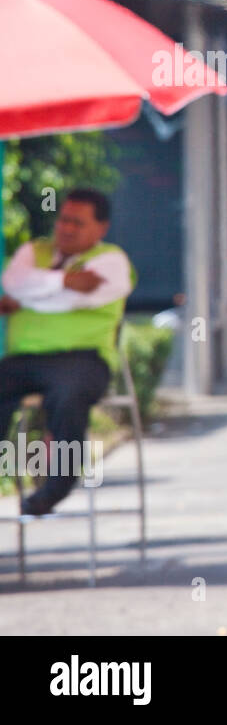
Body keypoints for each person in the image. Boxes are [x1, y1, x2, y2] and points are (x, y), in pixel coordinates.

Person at [0, 189, 135, 516]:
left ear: (101, 228)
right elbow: (14, 282)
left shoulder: (113, 261)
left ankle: (57, 485)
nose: (67, 228)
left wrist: (33, 295)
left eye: (78, 222)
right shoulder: (35, 250)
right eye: (63, 219)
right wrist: (65, 281)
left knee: (68, 394)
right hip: (24, 360)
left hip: (83, 358)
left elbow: (72, 300)